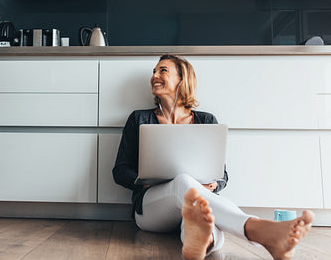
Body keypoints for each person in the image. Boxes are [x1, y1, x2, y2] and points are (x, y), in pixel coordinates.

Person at [112, 54, 314, 260]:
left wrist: (214, 185)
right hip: (151, 209)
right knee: (183, 182)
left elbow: (222, 174)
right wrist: (143, 180)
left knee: (202, 218)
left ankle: (203, 244)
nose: (154, 75)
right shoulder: (138, 119)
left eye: (163, 70)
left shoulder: (206, 121)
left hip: (194, 205)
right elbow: (120, 171)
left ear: (183, 80)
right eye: (154, 71)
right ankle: (258, 229)